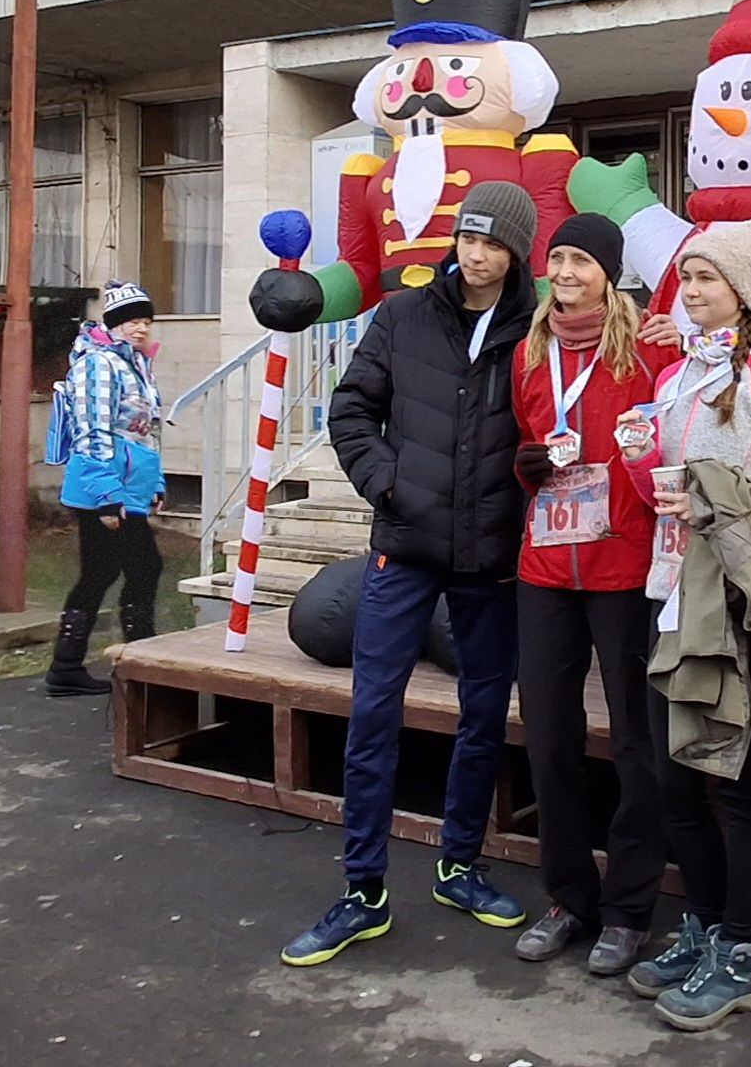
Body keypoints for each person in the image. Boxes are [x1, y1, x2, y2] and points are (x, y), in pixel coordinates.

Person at [282, 182, 539, 966]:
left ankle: (460, 866)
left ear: (517, 253)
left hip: (493, 557)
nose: (476, 254)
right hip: (405, 546)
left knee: (483, 715)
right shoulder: (403, 316)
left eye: (493, 243)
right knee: (372, 712)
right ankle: (363, 890)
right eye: (468, 238)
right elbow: (351, 410)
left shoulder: (535, 328)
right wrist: (387, 483)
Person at [613, 218, 751, 1032]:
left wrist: (716, 502)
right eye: (688, 277)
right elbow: (661, 498)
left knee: (736, 788)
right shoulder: (676, 377)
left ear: (742, 292)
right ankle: (704, 929)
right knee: (676, 783)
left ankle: (744, 953)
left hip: (738, 605)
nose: (692, 289)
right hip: (669, 594)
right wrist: (641, 456)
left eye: (707, 277)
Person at [507, 213, 675, 975]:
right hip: (546, 566)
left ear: (610, 273)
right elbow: (525, 437)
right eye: (558, 259)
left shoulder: (648, 350)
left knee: (637, 741)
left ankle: (629, 909)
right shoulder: (528, 352)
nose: (566, 272)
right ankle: (569, 897)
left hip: (625, 567)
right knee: (549, 736)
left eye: (581, 260)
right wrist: (528, 464)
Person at [47, 281, 166, 697]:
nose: (141, 328)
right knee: (138, 567)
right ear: (113, 324)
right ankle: (138, 662)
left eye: (146, 321)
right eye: (132, 321)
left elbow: (146, 432)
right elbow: (92, 432)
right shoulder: (97, 364)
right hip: (103, 490)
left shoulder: (136, 364)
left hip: (128, 488)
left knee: (106, 572)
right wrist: (106, 497)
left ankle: (70, 668)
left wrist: (156, 483)